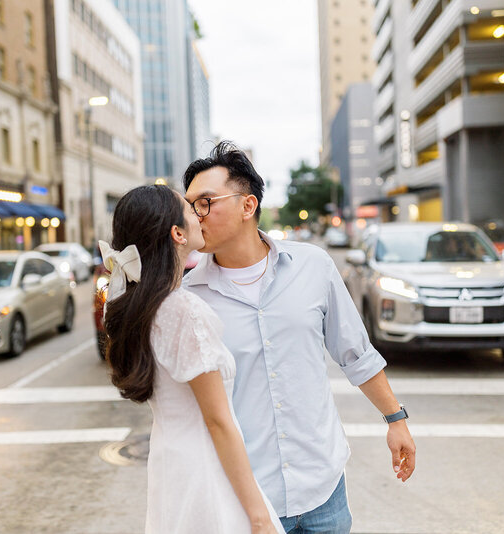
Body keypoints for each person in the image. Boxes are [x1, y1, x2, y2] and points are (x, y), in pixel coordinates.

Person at [182, 141, 416, 534]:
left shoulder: (313, 265)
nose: (195, 215)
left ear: (247, 205)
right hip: (246, 499)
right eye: (189, 206)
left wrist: (395, 419)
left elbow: (354, 351)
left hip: (323, 488)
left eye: (205, 202)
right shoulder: (189, 297)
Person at [101, 185, 284, 534]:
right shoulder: (182, 310)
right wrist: (258, 515)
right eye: (189, 209)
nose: (199, 214)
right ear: (177, 233)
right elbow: (217, 421)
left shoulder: (141, 304)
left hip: (170, 465)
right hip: (207, 473)